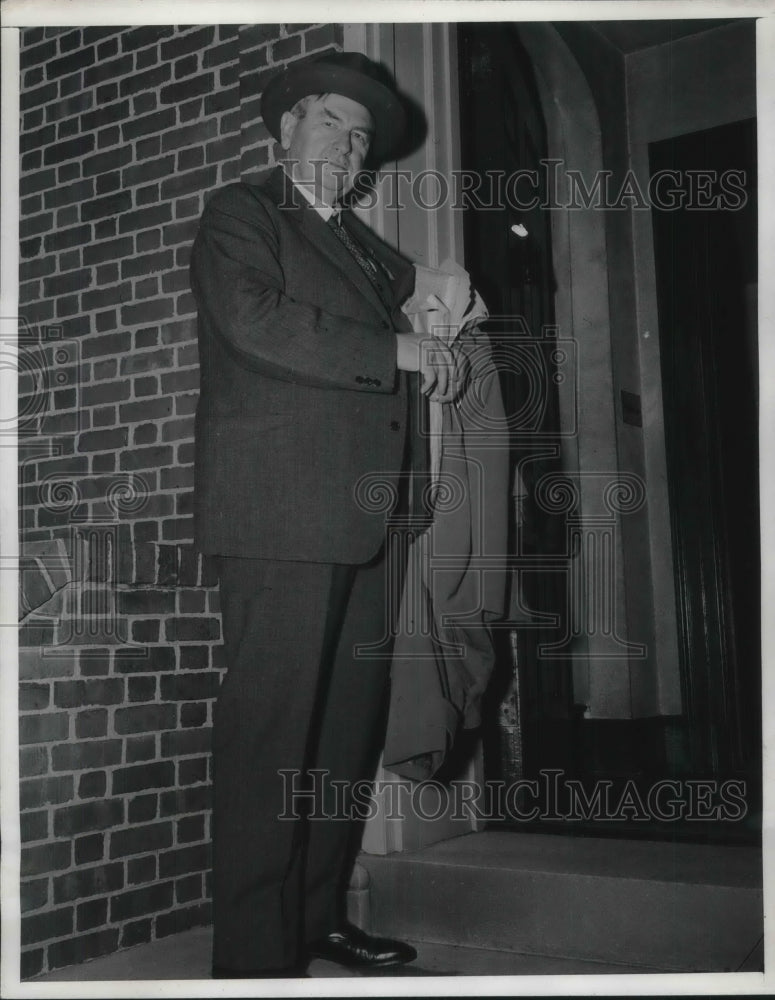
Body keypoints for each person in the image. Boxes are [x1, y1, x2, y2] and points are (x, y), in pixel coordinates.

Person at [189, 51, 463, 978]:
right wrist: (399, 351)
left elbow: (426, 302)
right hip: (280, 511)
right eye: (330, 122)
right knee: (271, 737)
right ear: (285, 129)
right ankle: (253, 960)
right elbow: (252, 321)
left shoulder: (360, 246)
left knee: (343, 738)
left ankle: (314, 920)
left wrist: (440, 313)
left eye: (360, 137)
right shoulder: (242, 212)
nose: (347, 146)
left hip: (370, 518)